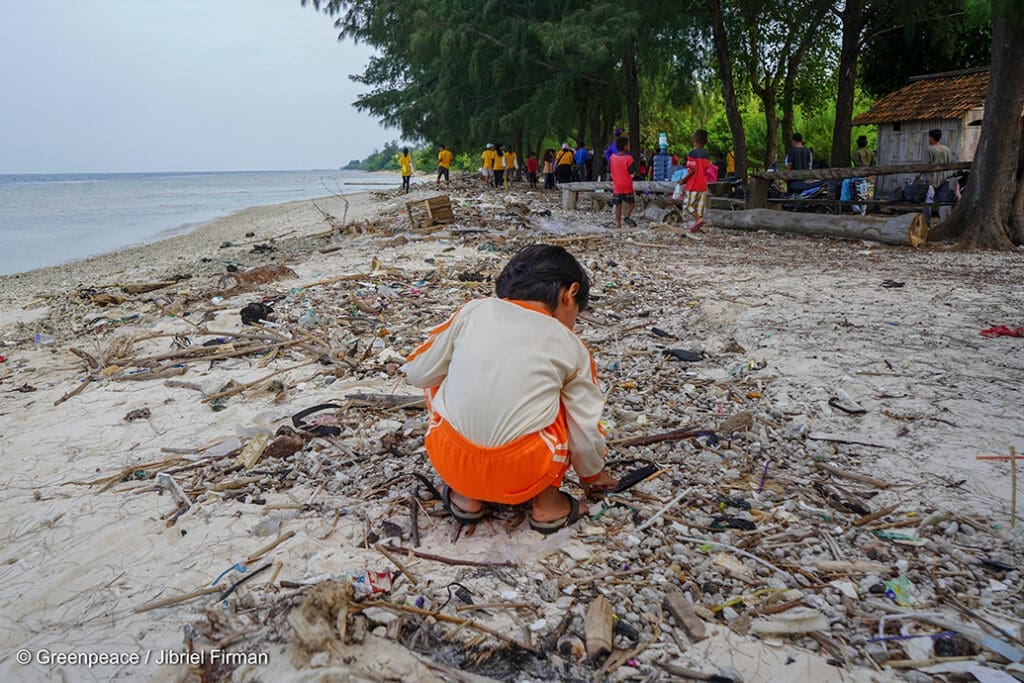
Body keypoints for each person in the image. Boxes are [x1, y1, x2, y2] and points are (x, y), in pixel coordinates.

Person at [404, 244, 618, 533]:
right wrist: (592, 475)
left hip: (451, 459)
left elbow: (418, 373)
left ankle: (466, 497)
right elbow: (585, 428)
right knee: (565, 402)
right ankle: (548, 505)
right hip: (525, 471)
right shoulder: (570, 345)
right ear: (569, 294)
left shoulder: (474, 311)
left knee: (437, 376)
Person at [675, 129, 711, 232]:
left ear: (694, 140)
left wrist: (682, 180)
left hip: (693, 185)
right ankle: (698, 224)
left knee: (688, 205)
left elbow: (692, 170)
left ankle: (699, 220)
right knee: (699, 207)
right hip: (703, 185)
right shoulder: (707, 154)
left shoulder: (692, 153)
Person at [925, 128, 955, 223]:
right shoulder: (946, 149)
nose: (928, 139)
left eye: (929, 137)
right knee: (942, 201)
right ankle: (942, 221)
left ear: (932, 138)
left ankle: (927, 222)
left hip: (932, 179)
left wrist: (918, 175)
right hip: (945, 178)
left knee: (928, 201)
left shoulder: (930, 149)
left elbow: (925, 165)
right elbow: (949, 163)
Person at [609, 135, 637, 229]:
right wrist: (633, 175)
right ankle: (627, 216)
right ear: (625, 146)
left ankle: (618, 224)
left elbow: (611, 170)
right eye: (628, 145)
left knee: (618, 207)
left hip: (617, 185)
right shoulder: (629, 158)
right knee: (631, 203)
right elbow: (632, 172)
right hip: (627, 185)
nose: (629, 147)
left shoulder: (612, 158)